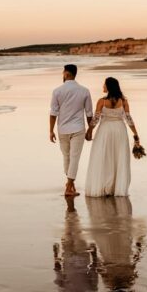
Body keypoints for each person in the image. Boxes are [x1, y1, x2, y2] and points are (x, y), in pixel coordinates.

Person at [84, 77, 142, 197]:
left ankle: (105, 187)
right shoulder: (124, 101)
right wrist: (135, 134)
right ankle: (116, 188)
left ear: (109, 87)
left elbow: (95, 119)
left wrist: (89, 130)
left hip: (105, 131)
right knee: (118, 157)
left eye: (104, 85)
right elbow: (128, 119)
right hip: (120, 131)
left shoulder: (102, 101)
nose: (103, 87)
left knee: (104, 157)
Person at [49, 64, 94, 197]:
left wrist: (51, 131)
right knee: (74, 158)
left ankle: (69, 184)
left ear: (66, 74)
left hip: (62, 129)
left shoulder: (57, 91)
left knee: (67, 157)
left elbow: (53, 113)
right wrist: (90, 130)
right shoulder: (84, 90)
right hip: (78, 128)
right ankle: (70, 184)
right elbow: (89, 113)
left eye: (63, 73)